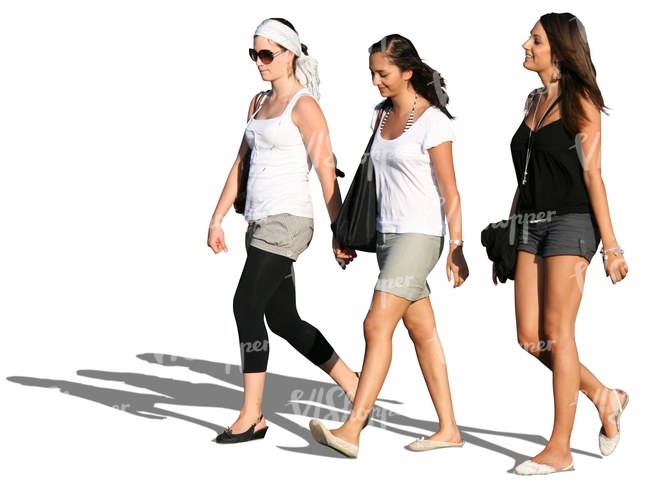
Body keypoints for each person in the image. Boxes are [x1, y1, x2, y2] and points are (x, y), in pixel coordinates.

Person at [309, 34, 469, 458]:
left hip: (420, 237)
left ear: (407, 72)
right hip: (386, 236)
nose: (376, 81)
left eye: (383, 74)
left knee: (376, 325)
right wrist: (345, 233)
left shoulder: (434, 121)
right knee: (422, 331)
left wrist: (457, 245)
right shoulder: (379, 117)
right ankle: (449, 428)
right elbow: (371, 183)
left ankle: (353, 428)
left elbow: (451, 190)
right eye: (372, 74)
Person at [207, 18, 358, 444]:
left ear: (290, 54)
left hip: (289, 220)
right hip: (258, 221)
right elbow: (240, 163)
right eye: (254, 53)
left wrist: (339, 231)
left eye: (267, 54)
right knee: (283, 319)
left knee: (245, 306)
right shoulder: (256, 102)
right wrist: (216, 218)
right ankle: (352, 382)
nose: (259, 62)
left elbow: (327, 173)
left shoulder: (304, 107)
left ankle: (253, 415)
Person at [502, 13, 629, 475]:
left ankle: (560, 449)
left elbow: (593, 173)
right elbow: (525, 176)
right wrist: (510, 233)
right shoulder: (533, 101)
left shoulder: (582, 102)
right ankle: (604, 396)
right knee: (529, 339)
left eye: (534, 40)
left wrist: (612, 247)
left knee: (558, 333)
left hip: (572, 224)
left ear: (558, 49)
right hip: (530, 226)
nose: (525, 45)